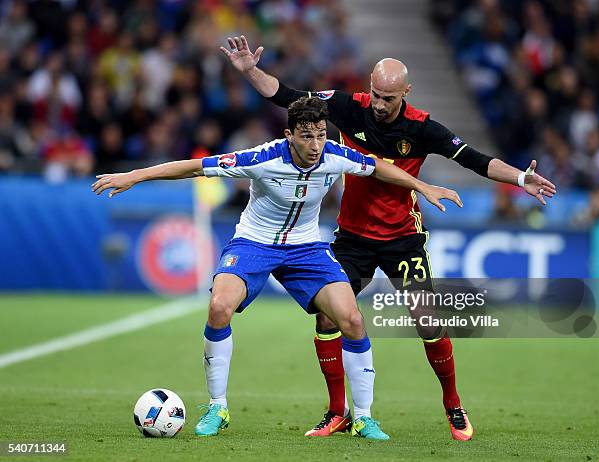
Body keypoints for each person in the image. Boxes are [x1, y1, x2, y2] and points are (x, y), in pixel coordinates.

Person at [220, 35, 557, 440]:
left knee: (427, 320)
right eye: (377, 95)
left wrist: (522, 178)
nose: (380, 104)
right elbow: (286, 95)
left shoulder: (423, 126)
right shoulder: (347, 106)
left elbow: (477, 161)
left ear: (406, 93)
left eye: (390, 98)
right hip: (352, 238)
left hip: (403, 239)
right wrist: (250, 70)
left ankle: (453, 404)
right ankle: (337, 411)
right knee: (329, 317)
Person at [92, 96, 463, 440]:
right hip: (254, 243)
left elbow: (379, 168)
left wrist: (422, 186)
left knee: (351, 318)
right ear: (289, 135)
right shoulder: (261, 158)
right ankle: (217, 408)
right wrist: (133, 176)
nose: (315, 145)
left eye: (320, 135)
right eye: (306, 137)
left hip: (306, 248)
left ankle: (362, 416)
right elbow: (196, 168)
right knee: (220, 307)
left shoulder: (335, 155)